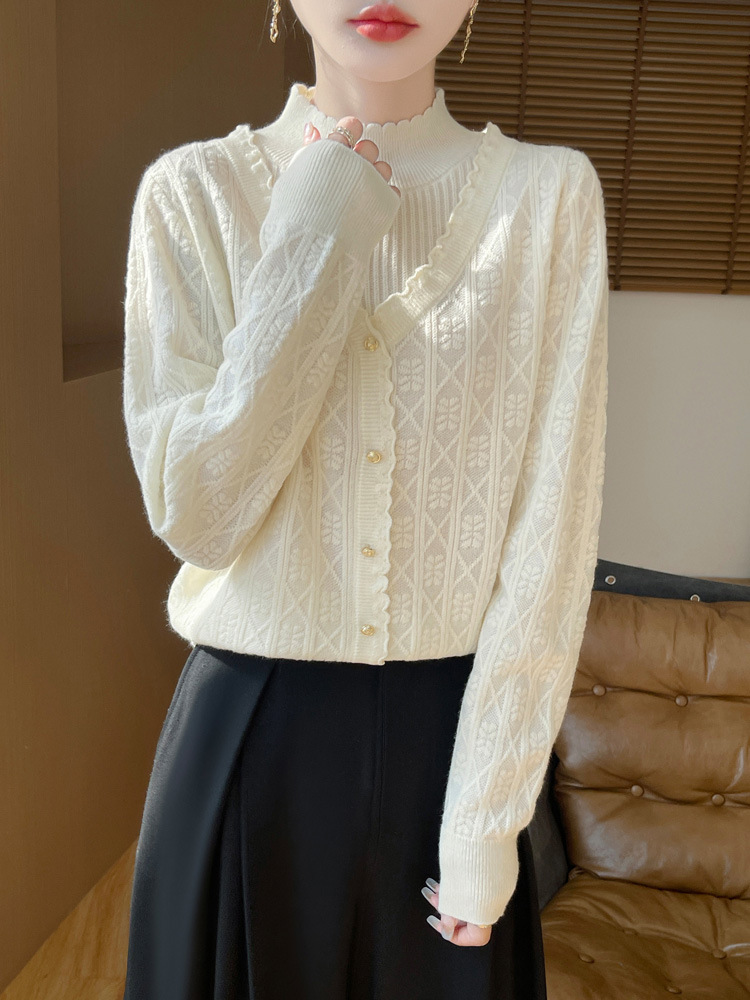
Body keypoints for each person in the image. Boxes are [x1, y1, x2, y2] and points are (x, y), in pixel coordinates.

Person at [120, 0, 609, 996]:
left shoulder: (548, 197)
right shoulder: (193, 193)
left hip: (457, 749)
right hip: (248, 746)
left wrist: (487, 820)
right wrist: (315, 232)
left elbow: (551, 537)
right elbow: (200, 512)